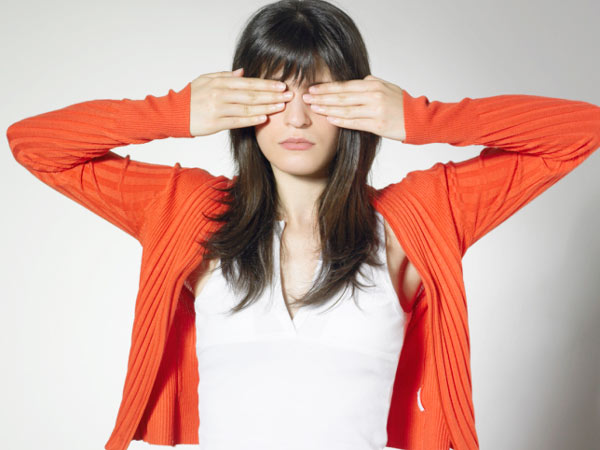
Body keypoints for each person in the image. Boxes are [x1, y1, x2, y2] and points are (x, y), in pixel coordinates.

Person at [6, 1, 599, 449]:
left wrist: (422, 118)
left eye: (319, 93)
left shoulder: (412, 221)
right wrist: (176, 112)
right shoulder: (191, 213)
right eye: (274, 92)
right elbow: (34, 144)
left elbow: (581, 129)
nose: (295, 117)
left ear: (358, 101)